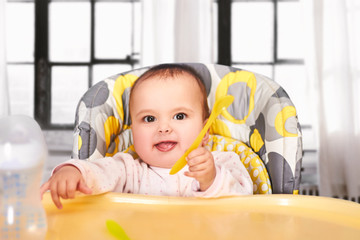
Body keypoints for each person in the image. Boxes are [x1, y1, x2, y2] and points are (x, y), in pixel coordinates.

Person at [40, 64, 253, 209]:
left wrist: (211, 179)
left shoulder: (222, 162)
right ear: (133, 132)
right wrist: (73, 171)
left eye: (179, 116)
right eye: (149, 119)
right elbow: (99, 173)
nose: (163, 128)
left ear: (205, 132)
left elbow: (243, 205)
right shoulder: (129, 170)